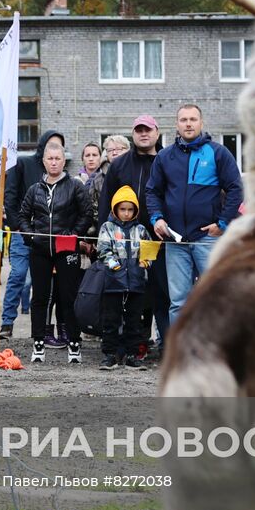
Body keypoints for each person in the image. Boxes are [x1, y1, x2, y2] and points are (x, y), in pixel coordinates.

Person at [145, 105, 242, 329]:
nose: (188, 123)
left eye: (193, 119)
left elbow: (236, 189)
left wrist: (223, 223)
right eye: (183, 120)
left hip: (208, 238)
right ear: (176, 124)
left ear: (201, 122)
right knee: (178, 302)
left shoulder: (218, 153)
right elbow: (152, 191)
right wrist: (156, 219)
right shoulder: (165, 156)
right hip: (176, 240)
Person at [103, 117, 170, 357]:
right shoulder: (119, 164)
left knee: (160, 294)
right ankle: (124, 347)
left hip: (156, 241)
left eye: (148, 130)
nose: (143, 134)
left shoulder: (168, 160)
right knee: (122, 294)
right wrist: (104, 233)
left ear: (157, 132)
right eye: (139, 130)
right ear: (132, 134)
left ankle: (164, 346)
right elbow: (106, 201)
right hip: (122, 243)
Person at [21, 144, 94, 365]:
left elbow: (87, 213)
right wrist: (31, 237)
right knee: (40, 297)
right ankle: (38, 342)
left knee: (68, 296)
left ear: (64, 161)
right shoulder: (34, 189)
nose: (53, 162)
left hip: (66, 249)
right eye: (50, 158)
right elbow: (23, 216)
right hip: (40, 249)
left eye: (57, 158)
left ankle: (73, 342)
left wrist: (73, 235)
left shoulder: (75, 186)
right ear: (43, 161)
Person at [0, 129, 65, 338]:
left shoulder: (61, 174)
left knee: (45, 282)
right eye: (50, 146)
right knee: (19, 275)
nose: (53, 154)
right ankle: (7, 323)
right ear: (42, 146)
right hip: (22, 231)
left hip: (48, 236)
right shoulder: (22, 164)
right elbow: (9, 195)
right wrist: (16, 224)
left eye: (58, 148)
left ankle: (42, 329)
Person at [96, 186, 152, 370]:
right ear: (115, 209)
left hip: (136, 282)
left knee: (134, 320)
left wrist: (145, 261)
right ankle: (110, 355)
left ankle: (132, 355)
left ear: (135, 210)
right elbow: (103, 250)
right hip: (114, 281)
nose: (126, 213)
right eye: (123, 209)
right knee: (111, 320)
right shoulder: (107, 227)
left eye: (130, 209)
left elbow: (149, 250)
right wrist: (114, 264)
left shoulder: (141, 229)